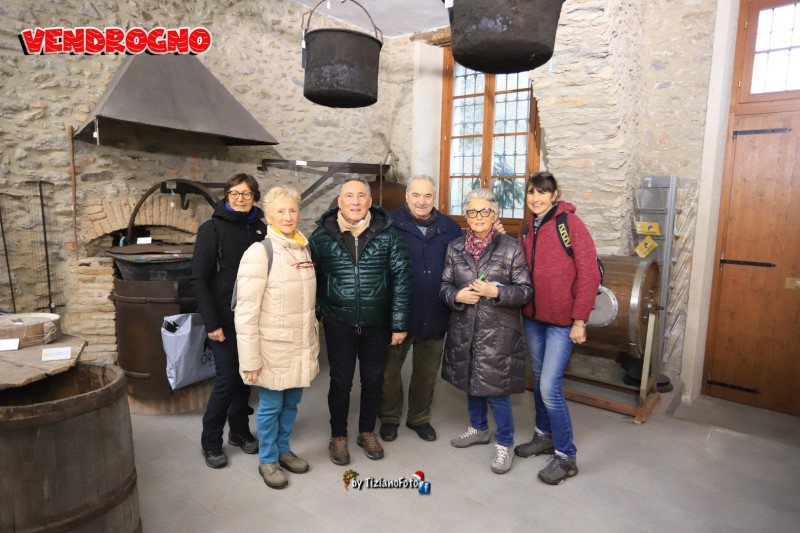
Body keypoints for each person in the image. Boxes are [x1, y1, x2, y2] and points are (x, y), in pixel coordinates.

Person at [309, 176, 412, 465]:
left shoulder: (388, 234)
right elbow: (310, 278)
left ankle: (366, 431)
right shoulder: (321, 236)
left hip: (376, 322)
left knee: (373, 380)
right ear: (339, 202)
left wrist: (399, 323)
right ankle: (338, 436)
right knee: (340, 381)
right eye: (349, 196)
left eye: (361, 196)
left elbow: (402, 279)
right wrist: (321, 310)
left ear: (370, 201)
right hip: (338, 322)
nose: (355, 202)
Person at [514, 171, 601, 485]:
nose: (536, 198)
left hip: (563, 323)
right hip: (533, 318)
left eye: (542, 192)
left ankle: (566, 457)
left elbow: (590, 274)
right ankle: (543, 436)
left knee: (550, 386)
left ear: (554, 195)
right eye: (531, 192)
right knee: (539, 380)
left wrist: (580, 320)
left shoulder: (570, 224)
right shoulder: (528, 227)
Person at [439, 188, 532, 474]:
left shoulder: (511, 247)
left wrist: (497, 291)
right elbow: (444, 285)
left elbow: (525, 291)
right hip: (465, 327)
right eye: (472, 212)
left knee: (496, 390)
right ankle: (478, 428)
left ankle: (505, 442)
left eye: (484, 211)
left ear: (495, 215)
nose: (478, 217)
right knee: (471, 380)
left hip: (497, 332)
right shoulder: (455, 247)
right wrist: (455, 296)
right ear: (466, 216)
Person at [234, 185, 319, 490]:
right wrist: (250, 360)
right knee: (271, 406)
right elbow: (245, 312)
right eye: (280, 211)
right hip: (273, 348)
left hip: (300, 343)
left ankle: (284, 450)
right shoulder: (260, 253)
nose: (287, 216)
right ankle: (268, 459)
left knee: (292, 402)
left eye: (292, 210)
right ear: (268, 217)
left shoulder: (303, 248)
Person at [378, 175, 463, 443]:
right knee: (389, 373)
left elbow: (462, 265)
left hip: (435, 314)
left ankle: (419, 418)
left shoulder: (450, 228)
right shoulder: (388, 224)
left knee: (426, 375)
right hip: (398, 316)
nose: (421, 201)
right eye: (416, 195)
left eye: (427, 195)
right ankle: (389, 417)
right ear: (407, 196)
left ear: (434, 197)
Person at [191, 173, 265, 468]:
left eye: (246, 194)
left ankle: (239, 431)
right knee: (226, 379)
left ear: (255, 197)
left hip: (252, 318)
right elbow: (199, 279)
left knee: (246, 375)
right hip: (222, 319)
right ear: (226, 196)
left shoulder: (260, 229)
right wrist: (212, 324)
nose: (240, 199)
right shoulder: (211, 229)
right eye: (234, 193)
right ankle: (210, 441)